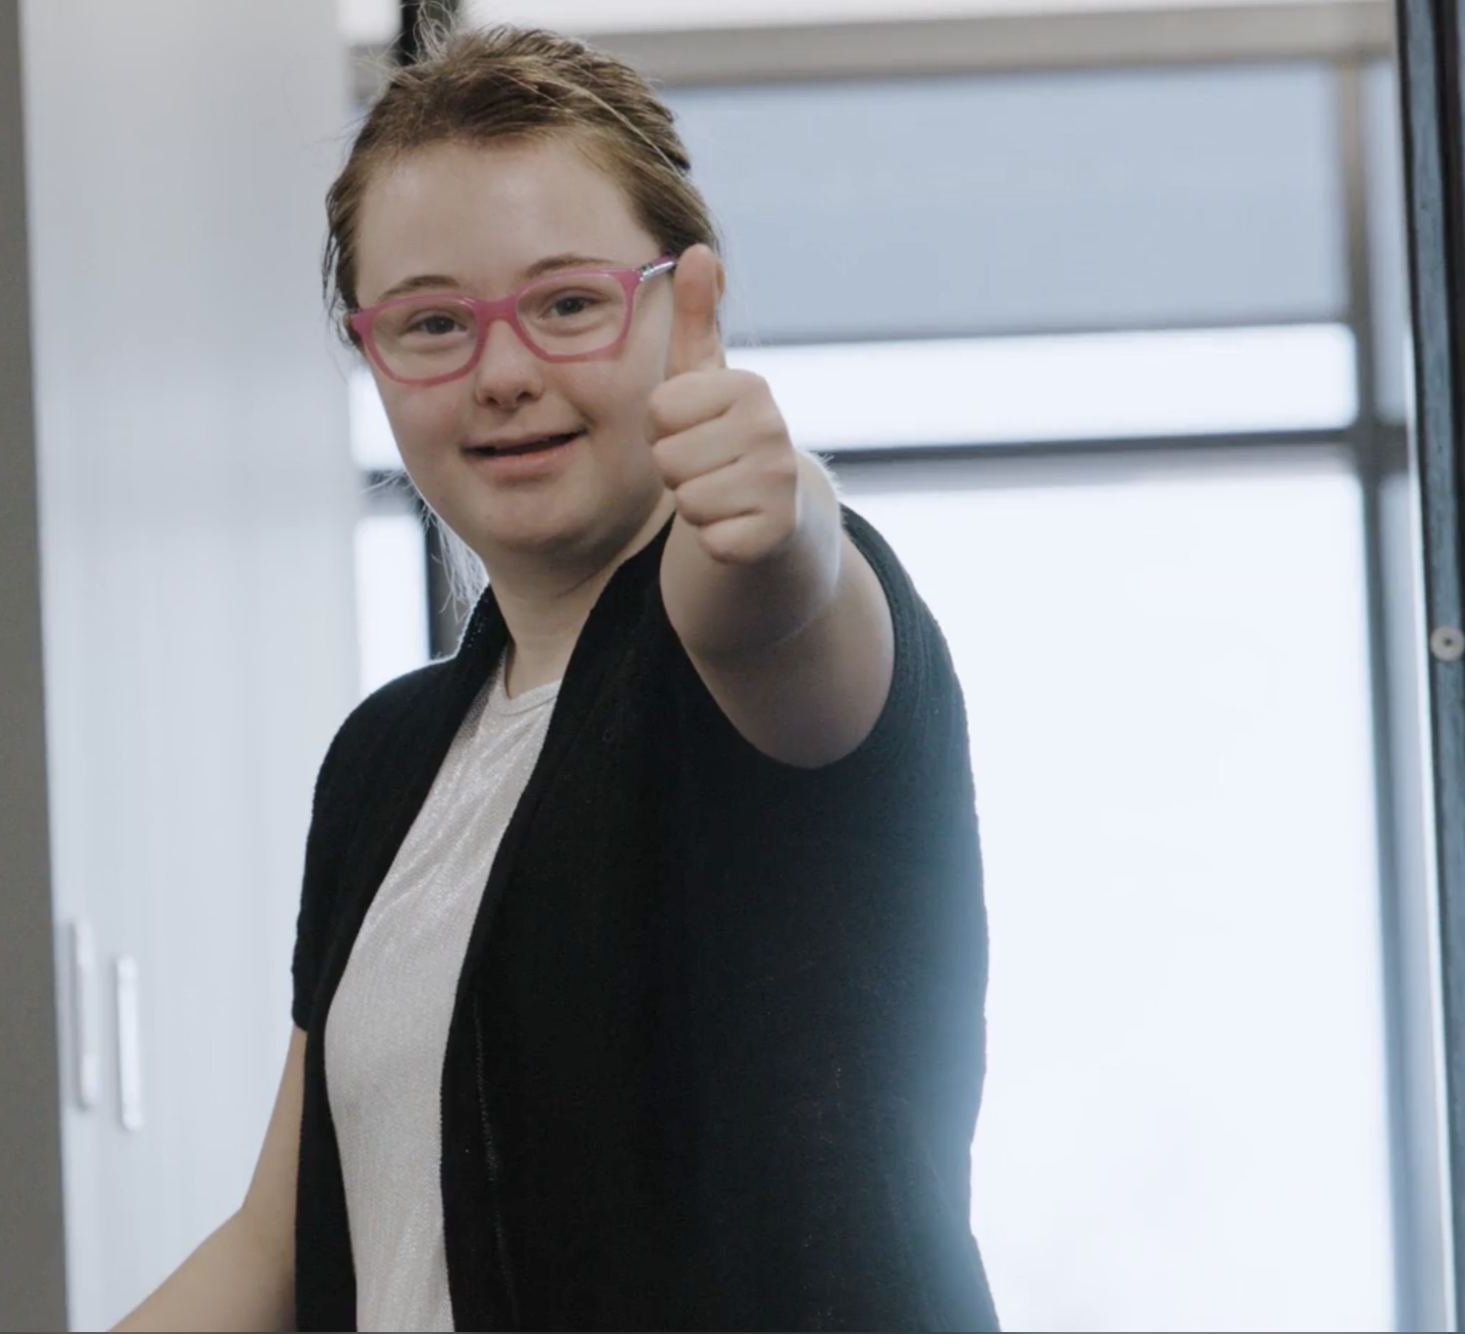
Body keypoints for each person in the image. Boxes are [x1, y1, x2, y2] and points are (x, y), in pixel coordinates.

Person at [116, 23, 996, 1334]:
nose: (506, 372)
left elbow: (770, 603)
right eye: (432, 323)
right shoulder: (386, 759)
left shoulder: (742, 630)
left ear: (681, 304)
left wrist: (781, 518)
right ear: (370, 352)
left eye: (569, 304)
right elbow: (277, 1244)